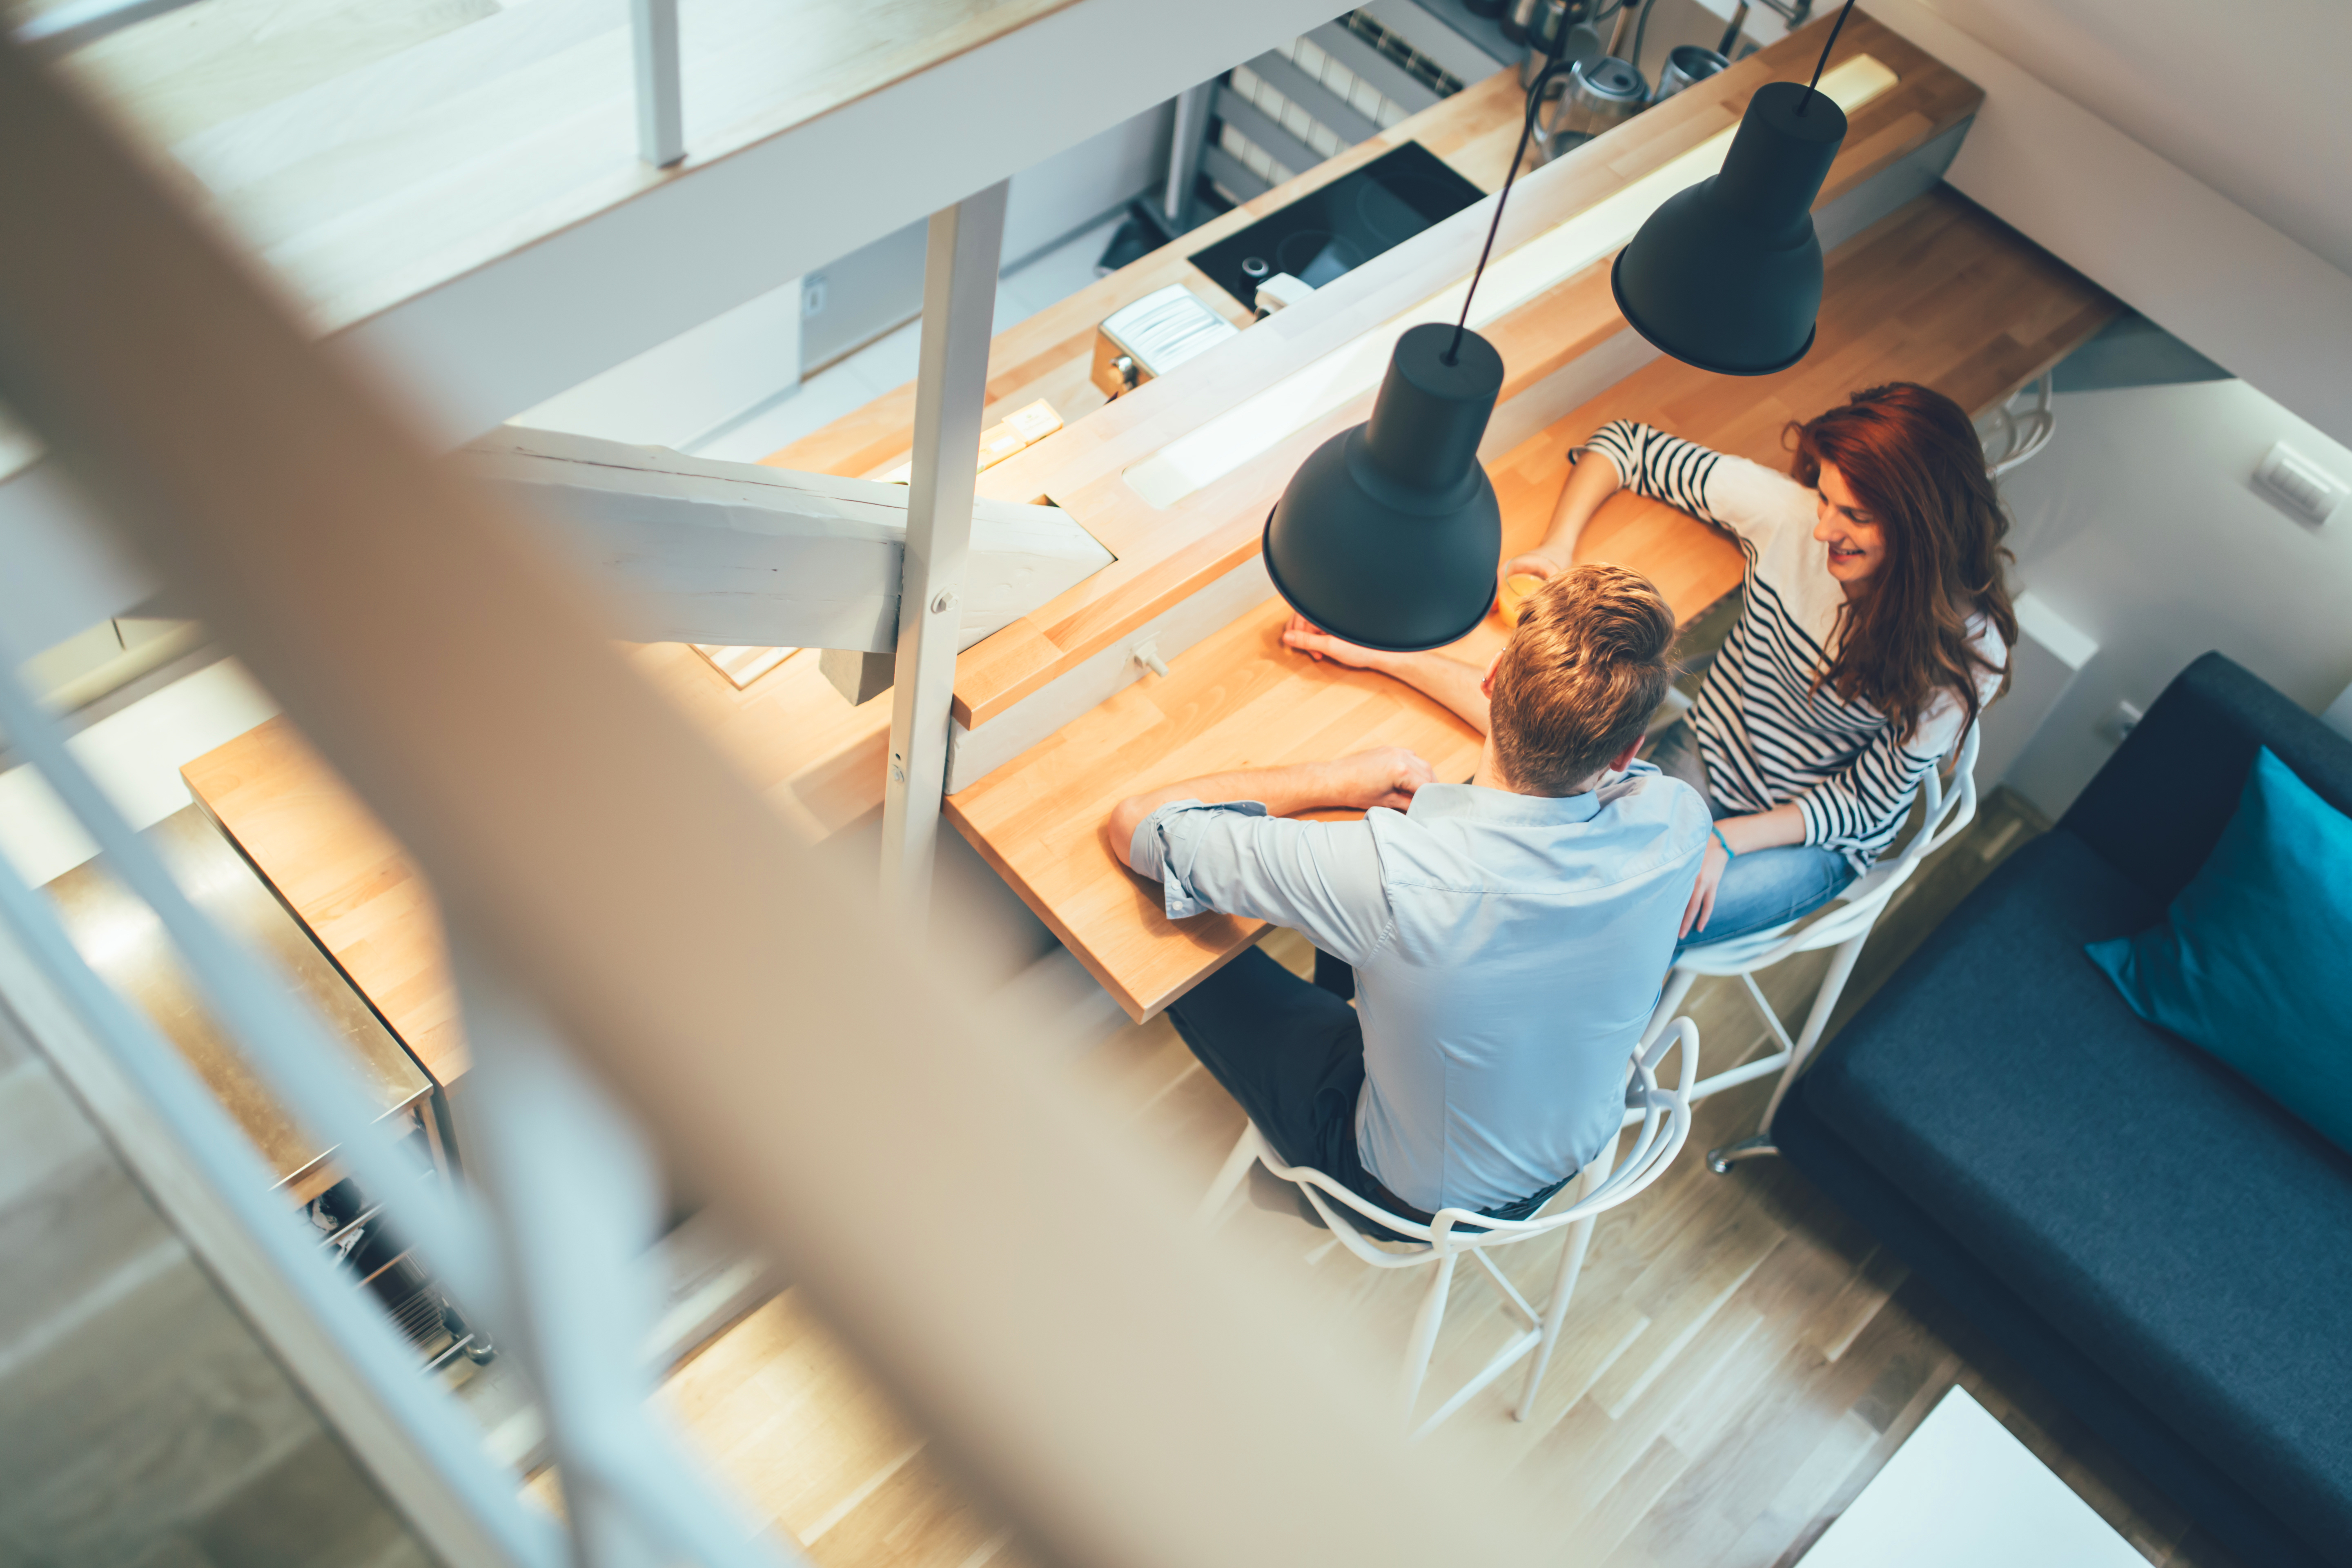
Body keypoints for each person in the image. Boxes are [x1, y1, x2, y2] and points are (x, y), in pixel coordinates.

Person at [1285, 382, 2014, 947]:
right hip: (1702, 759)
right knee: (1552, 783)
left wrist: (1722, 840)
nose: (1824, 529)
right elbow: (1626, 446)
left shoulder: (1967, 655)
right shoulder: (1793, 518)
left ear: (1921, 527)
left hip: (1805, 835)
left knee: (1622, 917)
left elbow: (1866, 807)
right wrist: (1559, 548)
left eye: (1854, 516)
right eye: (1825, 498)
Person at [1107, 565, 1707, 1233]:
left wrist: (1337, 779)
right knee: (1366, 936)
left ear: (1491, 676)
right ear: (1628, 752)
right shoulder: (1678, 819)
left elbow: (1139, 827)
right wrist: (1381, 652)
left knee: (1173, 936)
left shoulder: (1394, 877)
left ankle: (1311, 1192)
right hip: (1568, 1148)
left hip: (1412, 1202)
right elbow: (1558, 741)